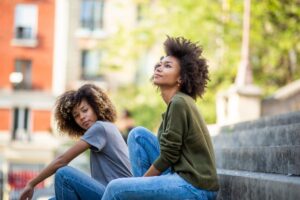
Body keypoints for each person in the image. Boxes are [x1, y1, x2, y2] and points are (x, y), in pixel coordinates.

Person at [102, 36, 219, 200]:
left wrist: (140, 184)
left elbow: (169, 156)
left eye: (167, 66)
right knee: (138, 135)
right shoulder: (177, 103)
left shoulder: (179, 103)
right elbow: (168, 152)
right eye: (159, 64)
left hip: (195, 187)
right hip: (182, 177)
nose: (159, 68)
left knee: (115, 189)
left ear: (181, 78)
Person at [19, 84, 132, 200]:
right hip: (110, 193)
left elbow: (61, 160)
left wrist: (31, 184)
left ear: (96, 106)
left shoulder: (99, 128)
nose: (82, 117)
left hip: (117, 196)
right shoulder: (108, 127)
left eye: (85, 110)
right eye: (76, 116)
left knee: (63, 174)